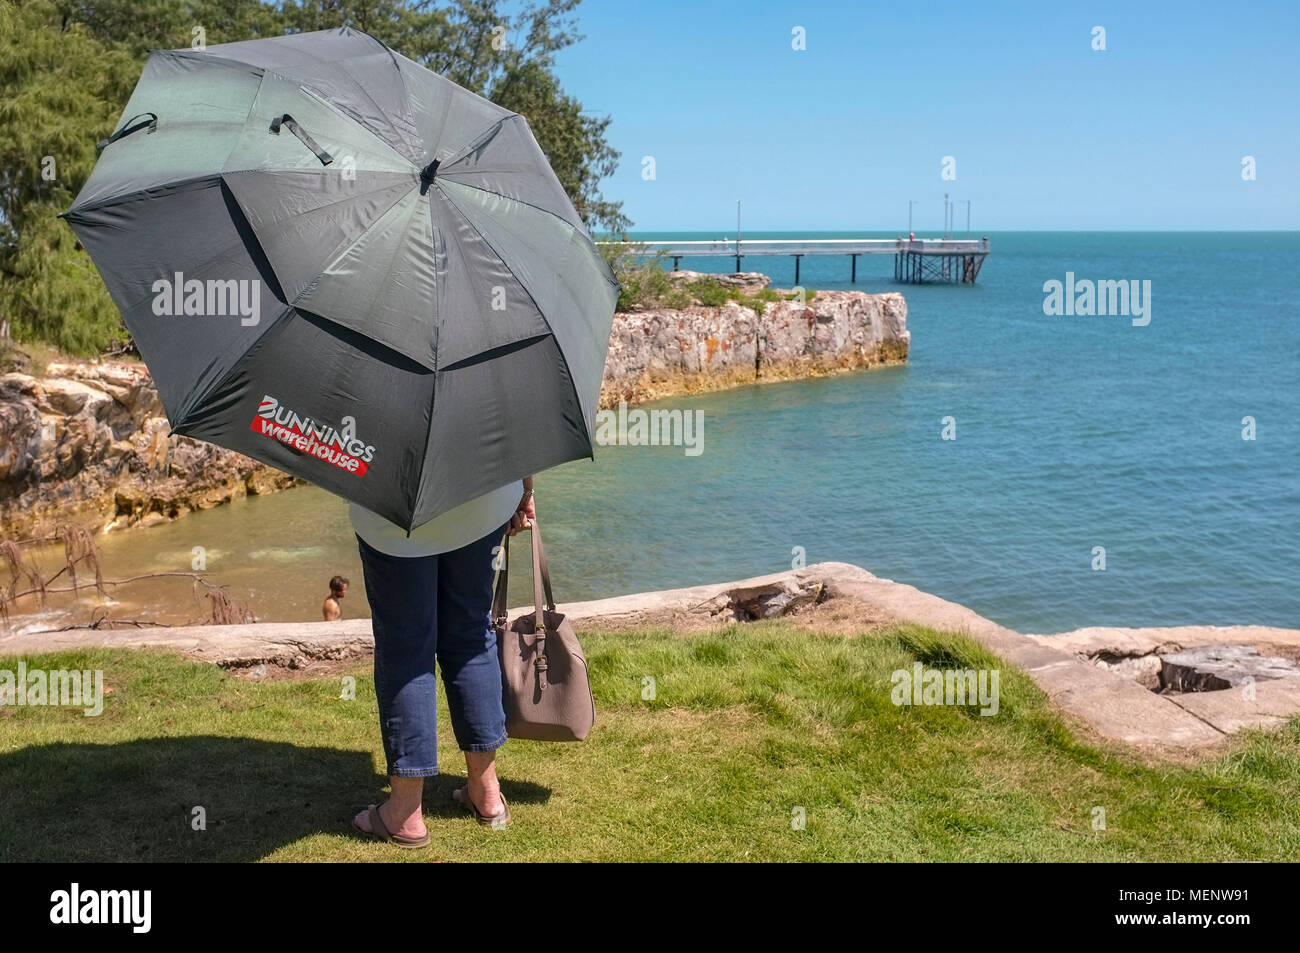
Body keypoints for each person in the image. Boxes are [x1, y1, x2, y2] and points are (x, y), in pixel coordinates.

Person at [349, 476, 535, 847]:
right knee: (470, 636)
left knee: (407, 650)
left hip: (392, 509)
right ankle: (486, 794)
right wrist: (525, 489)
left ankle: (404, 813)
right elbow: (521, 424)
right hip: (482, 501)